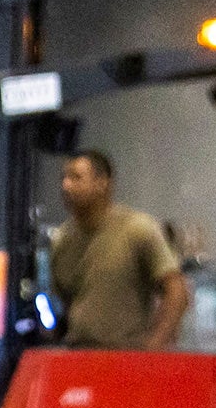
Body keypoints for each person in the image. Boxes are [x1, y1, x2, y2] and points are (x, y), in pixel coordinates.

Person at [49, 151, 190, 352]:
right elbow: (66, 303)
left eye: (76, 178)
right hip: (79, 357)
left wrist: (153, 347)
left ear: (102, 183)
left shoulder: (137, 229)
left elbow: (177, 293)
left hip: (125, 358)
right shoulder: (62, 239)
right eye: (64, 178)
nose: (66, 186)